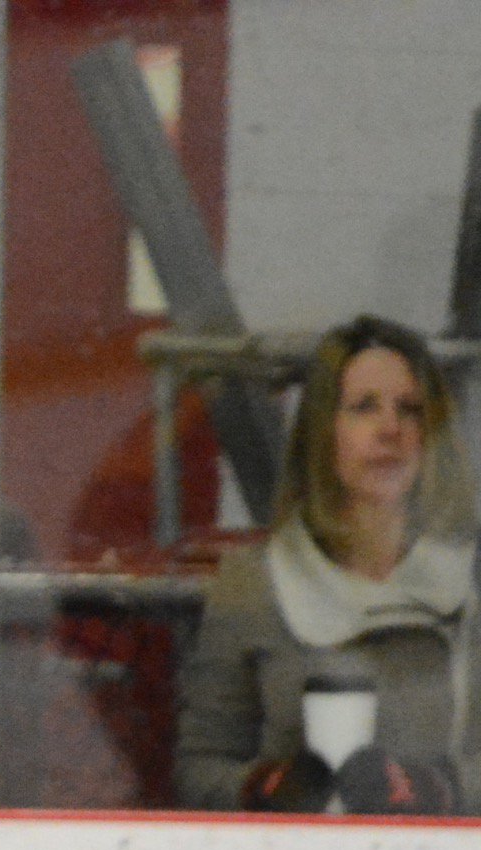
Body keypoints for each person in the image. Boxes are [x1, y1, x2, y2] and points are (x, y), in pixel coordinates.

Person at [177, 315, 475, 815]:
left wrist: (437, 790)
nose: (391, 429)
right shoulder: (253, 585)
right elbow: (200, 766)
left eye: (411, 410)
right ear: (322, 431)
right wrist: (263, 789)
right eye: (363, 408)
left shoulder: (473, 577)